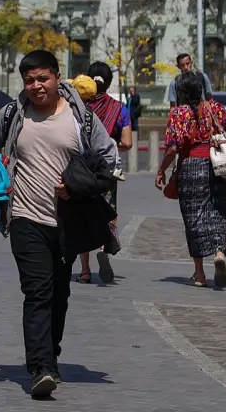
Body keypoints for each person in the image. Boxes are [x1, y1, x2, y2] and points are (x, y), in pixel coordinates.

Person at [0, 49, 120, 399]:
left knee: (60, 294)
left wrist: (78, 186)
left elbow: (110, 160)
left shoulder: (80, 116)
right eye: (29, 80)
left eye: (43, 78)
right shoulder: (13, 113)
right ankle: (39, 367)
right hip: (26, 218)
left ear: (58, 77)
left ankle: (50, 356)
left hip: (66, 222)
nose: (36, 86)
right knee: (37, 292)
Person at [156, 71, 226, 288]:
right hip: (214, 166)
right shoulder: (216, 108)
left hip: (189, 167)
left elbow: (173, 148)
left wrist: (161, 170)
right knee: (218, 212)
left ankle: (199, 273)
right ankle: (220, 253)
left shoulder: (178, 114)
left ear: (181, 92)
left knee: (193, 221)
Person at [72, 63, 132, 285]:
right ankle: (104, 249)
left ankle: (85, 270)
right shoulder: (120, 109)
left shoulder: (76, 107)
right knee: (107, 211)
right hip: (107, 170)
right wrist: (109, 142)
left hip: (80, 168)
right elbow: (127, 142)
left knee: (80, 215)